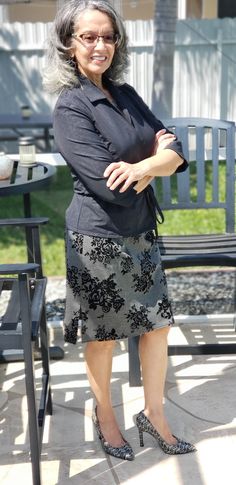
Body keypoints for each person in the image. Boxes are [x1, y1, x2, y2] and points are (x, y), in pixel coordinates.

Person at [44, 0, 196, 461]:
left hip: (141, 231)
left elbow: (174, 147)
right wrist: (157, 165)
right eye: (89, 37)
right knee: (104, 335)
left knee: (156, 329)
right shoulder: (70, 107)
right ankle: (105, 416)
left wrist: (148, 165)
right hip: (98, 238)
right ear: (70, 45)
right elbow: (109, 187)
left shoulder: (124, 92)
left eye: (108, 36)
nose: (100, 46)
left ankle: (155, 415)